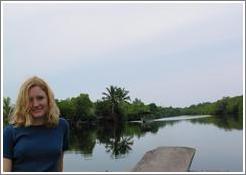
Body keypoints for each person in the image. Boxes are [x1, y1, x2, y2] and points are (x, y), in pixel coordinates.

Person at [3, 76, 69, 172]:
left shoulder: (62, 126)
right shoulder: (10, 131)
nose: (35, 104)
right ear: (23, 103)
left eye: (40, 98)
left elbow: (59, 164)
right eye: (30, 100)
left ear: (48, 99)